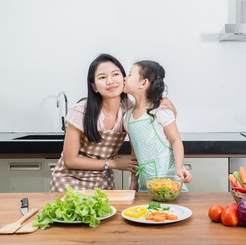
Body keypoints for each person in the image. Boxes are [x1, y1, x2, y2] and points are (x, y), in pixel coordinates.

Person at [50, 54, 175, 192]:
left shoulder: (130, 110)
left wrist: (171, 109)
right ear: (94, 87)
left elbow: (137, 150)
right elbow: (70, 160)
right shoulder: (81, 111)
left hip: (103, 182)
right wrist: (114, 163)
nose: (110, 81)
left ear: (124, 79)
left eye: (115, 74)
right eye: (102, 77)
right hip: (68, 180)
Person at [123, 60, 192, 192]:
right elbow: (134, 153)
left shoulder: (161, 112)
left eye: (130, 74)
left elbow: (176, 141)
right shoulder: (127, 118)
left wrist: (179, 168)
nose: (125, 78)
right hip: (145, 187)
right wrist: (133, 181)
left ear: (143, 83)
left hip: (170, 185)